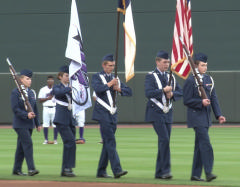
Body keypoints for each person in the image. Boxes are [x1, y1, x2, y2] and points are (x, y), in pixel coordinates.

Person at [183, 53, 226, 182]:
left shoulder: (209, 80)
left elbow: (214, 98)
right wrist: (199, 102)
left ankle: (195, 175)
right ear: (195, 66)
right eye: (202, 65)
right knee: (206, 144)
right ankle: (208, 172)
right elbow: (186, 100)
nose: (205, 67)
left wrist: (218, 115)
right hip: (196, 117)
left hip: (206, 118)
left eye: (206, 65)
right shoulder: (190, 81)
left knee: (199, 146)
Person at [92, 54, 132, 178]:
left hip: (113, 115)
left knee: (107, 144)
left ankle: (101, 171)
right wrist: (110, 84)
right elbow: (97, 89)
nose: (112, 68)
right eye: (110, 65)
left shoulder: (116, 79)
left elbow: (129, 92)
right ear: (104, 65)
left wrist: (119, 89)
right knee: (110, 141)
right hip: (102, 113)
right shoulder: (97, 76)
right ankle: (117, 170)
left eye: (113, 66)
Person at [144, 50, 183, 179]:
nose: (166, 64)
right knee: (164, 140)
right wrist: (163, 90)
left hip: (168, 113)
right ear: (157, 62)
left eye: (168, 62)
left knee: (164, 142)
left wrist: (172, 94)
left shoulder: (170, 77)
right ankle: (166, 171)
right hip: (155, 112)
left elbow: (180, 92)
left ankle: (159, 172)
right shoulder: (151, 76)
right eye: (164, 62)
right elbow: (148, 93)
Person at [11, 69, 41, 176]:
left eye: (30, 79)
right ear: (21, 79)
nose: (30, 81)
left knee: (21, 147)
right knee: (28, 143)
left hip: (29, 124)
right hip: (20, 124)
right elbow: (15, 109)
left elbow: (35, 109)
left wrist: (37, 123)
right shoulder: (16, 92)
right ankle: (31, 169)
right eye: (27, 79)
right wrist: (26, 115)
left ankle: (16, 169)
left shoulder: (31, 92)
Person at [52, 65, 76, 177]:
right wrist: (70, 88)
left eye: (69, 76)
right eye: (66, 75)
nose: (68, 77)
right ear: (60, 76)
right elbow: (58, 93)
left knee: (70, 143)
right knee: (70, 142)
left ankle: (66, 169)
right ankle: (67, 168)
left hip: (70, 119)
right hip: (61, 119)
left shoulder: (71, 87)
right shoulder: (57, 87)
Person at [38, 75, 58, 144]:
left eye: (52, 80)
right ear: (47, 81)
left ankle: (55, 140)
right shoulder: (43, 89)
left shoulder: (56, 89)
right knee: (45, 124)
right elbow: (40, 100)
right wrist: (47, 98)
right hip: (46, 108)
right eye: (49, 80)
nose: (50, 81)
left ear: (53, 81)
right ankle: (46, 140)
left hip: (54, 108)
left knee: (55, 124)